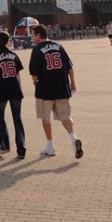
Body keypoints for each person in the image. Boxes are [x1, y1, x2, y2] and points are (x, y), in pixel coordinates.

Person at [28, 25, 83, 159]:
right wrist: (73, 83)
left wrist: (35, 83)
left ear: (39, 35)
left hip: (45, 89)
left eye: (33, 34)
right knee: (65, 115)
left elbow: (34, 73)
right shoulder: (59, 46)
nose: (32, 37)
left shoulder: (37, 50)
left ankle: (50, 145)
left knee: (45, 118)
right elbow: (70, 67)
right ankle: (73, 137)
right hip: (62, 87)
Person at [0, 31, 26, 158]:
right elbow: (18, 75)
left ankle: (4, 145)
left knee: (0, 117)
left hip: (2, 89)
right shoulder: (13, 55)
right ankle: (21, 150)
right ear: (8, 41)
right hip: (15, 89)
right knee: (17, 118)